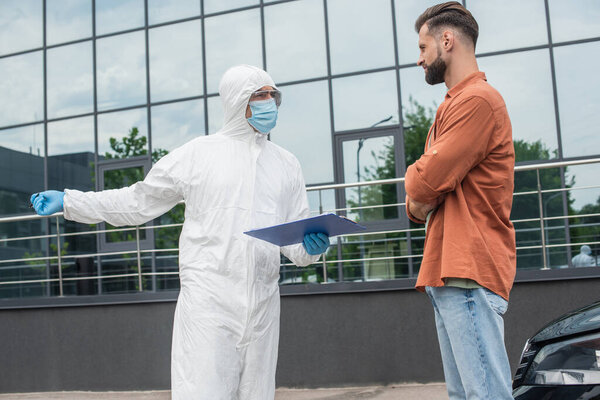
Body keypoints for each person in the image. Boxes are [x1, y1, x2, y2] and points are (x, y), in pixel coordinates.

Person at [30, 64, 330, 400]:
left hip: (262, 309)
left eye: (272, 95)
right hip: (209, 305)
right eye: (259, 95)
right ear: (236, 101)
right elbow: (137, 202)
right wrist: (71, 201)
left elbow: (295, 243)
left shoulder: (286, 164)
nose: (269, 103)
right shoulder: (197, 155)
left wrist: (312, 246)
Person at [404, 3, 516, 399]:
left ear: (446, 40)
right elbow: (419, 198)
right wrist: (422, 191)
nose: (418, 59)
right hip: (449, 273)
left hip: (468, 270)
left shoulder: (478, 102)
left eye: (422, 47)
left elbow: (421, 185)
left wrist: (419, 187)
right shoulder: (452, 105)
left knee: (485, 395)